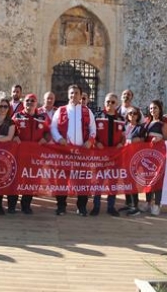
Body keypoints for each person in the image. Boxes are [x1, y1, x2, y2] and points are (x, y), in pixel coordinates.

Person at [51, 84, 97, 216]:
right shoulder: (61, 110)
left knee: (83, 180)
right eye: (71, 93)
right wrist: (59, 139)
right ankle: (61, 206)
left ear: (80, 95)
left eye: (76, 93)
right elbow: (53, 127)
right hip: (64, 151)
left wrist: (90, 141)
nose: (73, 95)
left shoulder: (87, 111)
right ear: (68, 95)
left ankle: (81, 207)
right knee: (62, 179)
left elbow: (93, 129)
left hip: (82, 152)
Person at [12, 93, 51, 214]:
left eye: (32, 101)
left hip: (35, 155)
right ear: (24, 103)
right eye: (27, 101)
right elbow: (9, 129)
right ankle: (12, 204)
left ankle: (26, 204)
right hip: (19, 154)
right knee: (16, 178)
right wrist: (14, 137)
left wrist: (45, 139)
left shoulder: (42, 118)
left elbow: (48, 132)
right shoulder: (17, 116)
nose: (30, 103)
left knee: (32, 179)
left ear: (36, 103)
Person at [92, 93, 125, 217]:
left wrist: (121, 144)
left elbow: (123, 136)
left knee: (113, 181)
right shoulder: (97, 116)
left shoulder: (121, 119)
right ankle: (96, 206)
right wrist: (97, 143)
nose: (109, 104)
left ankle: (111, 206)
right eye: (107, 102)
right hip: (101, 154)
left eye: (112, 102)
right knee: (98, 180)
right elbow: (92, 134)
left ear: (116, 104)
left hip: (115, 155)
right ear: (104, 103)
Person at [143, 100, 167, 216]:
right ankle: (148, 202)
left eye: (155, 108)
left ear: (160, 109)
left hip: (159, 154)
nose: (153, 110)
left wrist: (160, 139)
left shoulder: (164, 123)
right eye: (151, 108)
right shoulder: (147, 121)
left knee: (158, 178)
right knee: (147, 178)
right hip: (147, 154)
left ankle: (157, 204)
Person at [123, 106, 146, 216]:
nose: (132, 115)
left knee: (132, 181)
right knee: (126, 181)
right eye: (130, 113)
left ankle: (135, 205)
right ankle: (128, 203)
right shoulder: (124, 126)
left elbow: (144, 141)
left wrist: (139, 140)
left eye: (134, 113)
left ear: (138, 115)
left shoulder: (140, 128)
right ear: (127, 116)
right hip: (124, 157)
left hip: (134, 159)